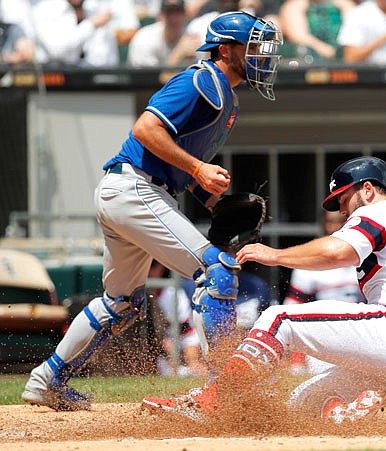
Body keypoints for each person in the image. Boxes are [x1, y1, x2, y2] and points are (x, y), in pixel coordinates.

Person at [21, 10, 283, 411]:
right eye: (252, 48)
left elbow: (177, 158)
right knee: (216, 271)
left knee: (121, 302)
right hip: (134, 188)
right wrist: (197, 168)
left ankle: (46, 381)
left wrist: (208, 196)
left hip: (133, 191)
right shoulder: (200, 79)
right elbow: (145, 129)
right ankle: (224, 391)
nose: (262, 57)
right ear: (226, 50)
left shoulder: (225, 97)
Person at [142, 156, 386, 424]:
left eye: (343, 197)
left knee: (278, 318)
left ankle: (211, 401)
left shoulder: (384, 210)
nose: (340, 209)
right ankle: (343, 414)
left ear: (368, 190)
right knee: (303, 400)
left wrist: (275, 255)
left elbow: (341, 251)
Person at [283, 210, 364, 375]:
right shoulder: (309, 263)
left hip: (361, 336)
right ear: (323, 225)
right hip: (324, 337)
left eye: (341, 221)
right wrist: (297, 360)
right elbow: (292, 311)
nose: (336, 227)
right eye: (331, 222)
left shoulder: (366, 258)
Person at [147, 260, 208, 377]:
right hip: (166, 339)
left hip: (181, 342)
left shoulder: (170, 293)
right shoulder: (148, 293)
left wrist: (192, 361)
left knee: (193, 368)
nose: (149, 271)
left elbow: (186, 329)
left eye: (152, 265)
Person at [32, 0, 119, 67]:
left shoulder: (95, 11)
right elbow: (56, 51)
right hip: (54, 83)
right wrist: (91, 24)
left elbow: (108, 60)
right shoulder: (44, 11)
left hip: (93, 85)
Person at [127, 0, 200, 67]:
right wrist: (177, 55)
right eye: (169, 13)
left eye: (178, 13)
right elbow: (150, 78)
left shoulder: (190, 37)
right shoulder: (144, 39)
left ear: (185, 16)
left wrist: (193, 61)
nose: (174, 19)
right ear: (160, 16)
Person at [278, 0, 355, 63]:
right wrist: (324, 49)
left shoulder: (344, 4)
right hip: (310, 57)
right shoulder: (295, 5)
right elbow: (298, 35)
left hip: (342, 55)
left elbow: (354, 32)